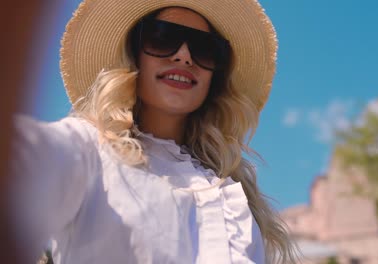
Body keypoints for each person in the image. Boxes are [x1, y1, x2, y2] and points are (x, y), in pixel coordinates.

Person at [9, 0, 298, 263]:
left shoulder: (233, 193)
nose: (184, 56)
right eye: (163, 37)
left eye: (205, 48)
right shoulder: (87, 150)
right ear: (134, 56)